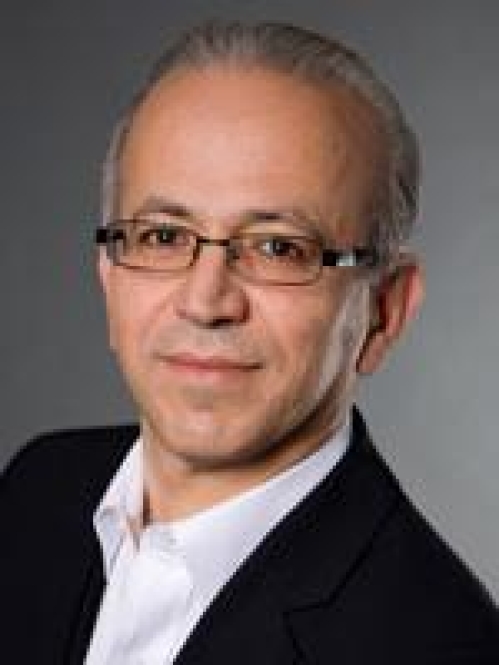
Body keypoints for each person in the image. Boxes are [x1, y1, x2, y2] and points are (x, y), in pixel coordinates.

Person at [2, 20, 498, 665]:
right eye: (162, 236)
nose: (206, 302)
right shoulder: (37, 489)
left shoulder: (438, 643)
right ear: (109, 273)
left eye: (278, 248)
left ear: (384, 311)